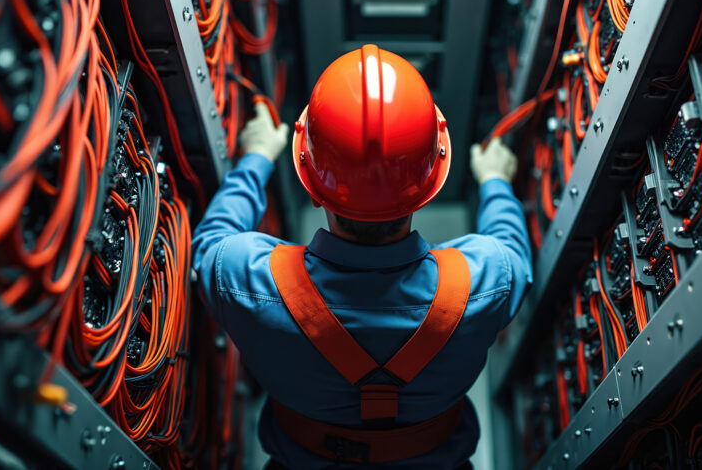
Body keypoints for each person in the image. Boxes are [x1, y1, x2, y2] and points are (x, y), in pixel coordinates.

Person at [193, 44, 531, 469]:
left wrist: (257, 156)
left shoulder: (245, 279)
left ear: (314, 192)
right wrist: (496, 181)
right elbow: (513, 247)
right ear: (425, 191)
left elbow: (209, 242)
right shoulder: (486, 280)